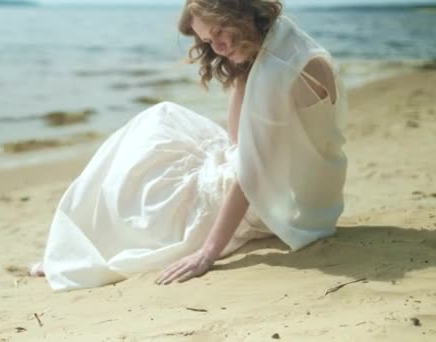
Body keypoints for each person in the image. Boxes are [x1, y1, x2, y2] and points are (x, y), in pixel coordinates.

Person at [29, 0, 347, 291]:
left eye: (221, 32)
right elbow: (238, 141)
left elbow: (250, 172)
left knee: (149, 169)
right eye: (208, 41)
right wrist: (241, 73)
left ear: (241, 11)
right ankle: (85, 247)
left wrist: (208, 253)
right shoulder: (288, 43)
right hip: (311, 198)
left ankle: (85, 252)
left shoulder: (280, 68)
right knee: (160, 124)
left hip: (280, 202)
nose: (218, 48)